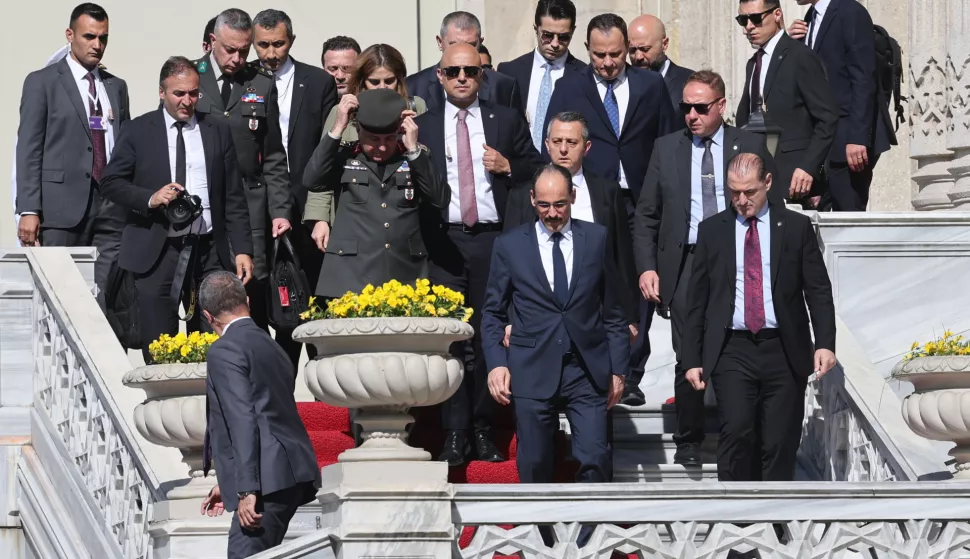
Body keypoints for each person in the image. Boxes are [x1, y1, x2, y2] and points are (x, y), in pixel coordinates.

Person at [634, 70, 781, 462]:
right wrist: (647, 267)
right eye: (686, 107)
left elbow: (773, 203)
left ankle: (743, 433)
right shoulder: (667, 148)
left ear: (721, 105)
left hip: (740, 256)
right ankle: (688, 438)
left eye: (700, 108)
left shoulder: (748, 143)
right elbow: (646, 214)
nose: (691, 116)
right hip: (686, 261)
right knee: (689, 349)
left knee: (740, 343)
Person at [415, 42, 543, 467]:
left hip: (493, 239)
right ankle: (455, 433)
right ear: (439, 76)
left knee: (489, 336)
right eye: (453, 71)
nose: (462, 78)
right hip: (444, 241)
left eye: (470, 70)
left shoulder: (504, 119)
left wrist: (509, 167)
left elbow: (537, 168)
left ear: (481, 75)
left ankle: (485, 428)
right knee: (452, 338)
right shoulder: (424, 126)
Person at [543, 13, 679, 409]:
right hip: (592, 199)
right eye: (599, 55)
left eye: (616, 54)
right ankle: (589, 365)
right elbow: (551, 142)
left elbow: (669, 140)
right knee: (592, 279)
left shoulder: (650, 85)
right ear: (587, 50)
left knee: (640, 280)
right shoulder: (570, 86)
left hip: (640, 201)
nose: (607, 63)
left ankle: (631, 373)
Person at [681, 152, 836, 482]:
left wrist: (825, 342)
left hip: (783, 348)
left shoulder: (795, 228)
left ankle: (774, 511)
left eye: (749, 192)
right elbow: (697, 299)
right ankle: (736, 510)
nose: (741, 200)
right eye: (734, 192)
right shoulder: (713, 231)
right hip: (732, 349)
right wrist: (691, 358)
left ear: (767, 183)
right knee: (737, 430)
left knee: (780, 440)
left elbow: (818, 290)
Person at [481, 163, 629, 487]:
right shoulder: (510, 246)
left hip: (586, 369)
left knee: (595, 458)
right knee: (535, 462)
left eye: (560, 204)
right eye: (544, 205)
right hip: (531, 368)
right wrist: (496, 364)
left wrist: (618, 369)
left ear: (573, 197)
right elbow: (492, 313)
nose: (552, 213)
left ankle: (594, 521)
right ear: (532, 200)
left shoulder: (596, 239)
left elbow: (614, 311)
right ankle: (542, 523)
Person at [98, 56, 253, 362]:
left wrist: (243, 249)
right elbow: (110, 183)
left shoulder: (217, 130)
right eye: (179, 93)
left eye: (193, 93)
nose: (187, 101)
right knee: (160, 347)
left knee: (215, 343)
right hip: (157, 250)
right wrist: (150, 198)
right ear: (161, 92)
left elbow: (233, 195)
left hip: (207, 250)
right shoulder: (138, 130)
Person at [15, 3, 130, 312]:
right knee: (60, 297)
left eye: (103, 38)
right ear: (70, 35)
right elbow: (29, 149)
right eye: (89, 36)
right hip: (61, 210)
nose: (97, 45)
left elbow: (124, 146)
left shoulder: (116, 87)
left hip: (110, 209)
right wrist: (28, 209)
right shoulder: (42, 82)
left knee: (103, 299)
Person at [198, 271, 320, 558]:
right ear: (248, 302)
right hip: (287, 472)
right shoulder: (271, 344)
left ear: (208, 316)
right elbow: (269, 412)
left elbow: (243, 420)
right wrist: (229, 482)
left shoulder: (224, 350)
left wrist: (246, 489)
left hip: (266, 483)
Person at [193, 8, 293, 335]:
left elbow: (274, 155)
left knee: (251, 297)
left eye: (244, 51)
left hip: (250, 209)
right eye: (229, 50)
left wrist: (280, 210)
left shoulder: (260, 82)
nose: (237, 59)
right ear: (212, 41)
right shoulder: (191, 79)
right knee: (204, 298)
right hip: (204, 205)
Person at [253, 8, 338, 369]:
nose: (271, 53)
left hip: (307, 210)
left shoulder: (317, 82)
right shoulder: (245, 82)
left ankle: (321, 387)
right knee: (264, 304)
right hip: (259, 213)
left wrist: (321, 211)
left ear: (292, 41)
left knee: (311, 303)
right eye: (263, 45)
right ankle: (272, 386)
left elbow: (328, 149)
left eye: (279, 44)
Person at [303, 88, 448, 298]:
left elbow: (440, 199)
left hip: (403, 272)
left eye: (389, 138)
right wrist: (338, 128)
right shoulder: (345, 156)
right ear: (358, 130)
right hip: (351, 274)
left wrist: (414, 150)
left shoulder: (414, 157)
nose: (381, 147)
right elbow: (312, 180)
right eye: (373, 139)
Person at [504, 111, 638, 339]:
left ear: (586, 147)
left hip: (594, 315)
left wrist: (629, 316)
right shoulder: (521, 195)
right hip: (537, 317)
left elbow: (621, 257)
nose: (563, 149)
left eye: (572, 142)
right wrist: (509, 320)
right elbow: (509, 261)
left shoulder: (607, 192)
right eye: (557, 141)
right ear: (547, 144)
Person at [305, 43, 430, 254]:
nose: (382, 87)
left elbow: (428, 169)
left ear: (400, 80)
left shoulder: (415, 107)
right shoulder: (344, 112)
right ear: (362, 81)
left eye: (389, 81)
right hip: (356, 221)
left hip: (402, 220)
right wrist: (319, 218)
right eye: (374, 81)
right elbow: (323, 169)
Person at [789, 0, 897, 211]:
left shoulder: (851, 11)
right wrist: (792, 44)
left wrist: (858, 137)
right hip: (823, 141)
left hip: (849, 142)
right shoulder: (810, 18)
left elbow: (863, 78)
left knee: (848, 215)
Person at [734, 0, 838, 203]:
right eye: (743, 20)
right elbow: (744, 119)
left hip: (796, 182)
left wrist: (809, 167)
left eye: (755, 18)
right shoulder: (753, 63)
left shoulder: (799, 56)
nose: (748, 27)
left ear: (777, 15)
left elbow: (827, 118)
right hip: (758, 181)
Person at [496, 0, 586, 149]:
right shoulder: (510, 71)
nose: (555, 44)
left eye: (563, 37)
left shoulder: (585, 75)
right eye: (547, 35)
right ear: (536, 28)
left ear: (573, 32)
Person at [406, 11, 521, 112]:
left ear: (480, 43)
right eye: (454, 45)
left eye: (470, 45)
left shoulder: (503, 87)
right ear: (440, 42)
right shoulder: (413, 87)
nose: (462, 50)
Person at [627, 14, 695, 109]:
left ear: (665, 44)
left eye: (645, 49)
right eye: (632, 50)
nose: (638, 57)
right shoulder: (624, 83)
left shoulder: (690, 81)